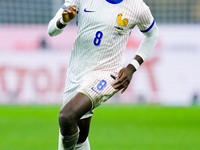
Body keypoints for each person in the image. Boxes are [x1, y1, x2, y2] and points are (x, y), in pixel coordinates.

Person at [48, 0, 159, 149]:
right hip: (76, 71)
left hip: (107, 74)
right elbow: (51, 30)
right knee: (79, 136)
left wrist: (132, 66)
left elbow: (152, 35)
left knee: (67, 117)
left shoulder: (137, 7)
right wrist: (63, 20)